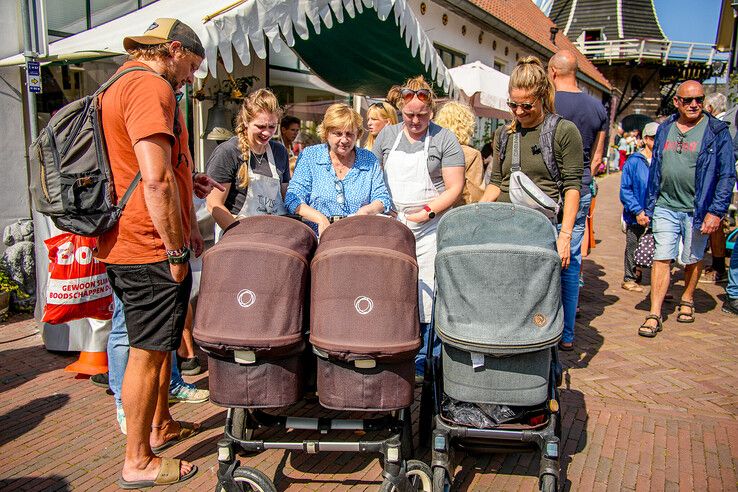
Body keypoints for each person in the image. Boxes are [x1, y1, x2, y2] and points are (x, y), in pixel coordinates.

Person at [96, 18, 222, 488]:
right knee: (147, 351)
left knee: (160, 341)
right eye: (190, 66)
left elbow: (160, 168)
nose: (190, 78)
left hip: (128, 238)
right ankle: (139, 459)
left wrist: (191, 183)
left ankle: (160, 425)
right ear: (172, 49)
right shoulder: (151, 88)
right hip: (146, 244)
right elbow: (153, 177)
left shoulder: (120, 83)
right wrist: (173, 248)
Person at [480, 56, 583, 351]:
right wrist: (476, 214)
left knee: (541, 296)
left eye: (527, 105)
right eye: (513, 105)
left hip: (541, 228)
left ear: (542, 97)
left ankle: (549, 344)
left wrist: (565, 237)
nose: (519, 111)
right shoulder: (504, 134)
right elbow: (496, 183)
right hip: (507, 227)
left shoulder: (563, 131)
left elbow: (573, 186)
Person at [373, 76, 464, 377]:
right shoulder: (386, 137)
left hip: (429, 229)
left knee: (428, 293)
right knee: (391, 290)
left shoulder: (444, 139)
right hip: (391, 225)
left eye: (422, 115)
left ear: (432, 111)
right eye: (409, 115)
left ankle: (426, 359)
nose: (415, 121)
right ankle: (392, 352)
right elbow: (374, 178)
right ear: (400, 110)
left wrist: (427, 211)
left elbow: (454, 188)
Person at [638, 80, 736, 337]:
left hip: (697, 207)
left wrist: (716, 211)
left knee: (692, 258)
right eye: (689, 100)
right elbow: (656, 168)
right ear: (677, 102)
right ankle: (655, 313)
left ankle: (688, 298)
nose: (695, 105)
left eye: (699, 100)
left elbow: (726, 174)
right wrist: (649, 204)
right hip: (665, 205)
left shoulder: (716, 131)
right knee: (662, 255)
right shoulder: (665, 128)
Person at [548, 49, 608, 350]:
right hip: (581, 188)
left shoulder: (548, 102)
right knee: (571, 263)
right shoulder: (597, 107)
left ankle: (543, 326)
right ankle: (568, 335)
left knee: (542, 260)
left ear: (552, 71)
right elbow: (597, 159)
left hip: (547, 191)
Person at [285, 103, 391, 236]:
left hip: (358, 235)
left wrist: (365, 212)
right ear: (326, 133)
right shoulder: (310, 156)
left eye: (350, 134)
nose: (344, 140)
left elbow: (382, 198)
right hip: (317, 236)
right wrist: (320, 219)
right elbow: (293, 198)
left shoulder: (368, 159)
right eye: (338, 134)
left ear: (357, 134)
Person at [205, 89, 290, 240]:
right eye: (260, 126)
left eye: (272, 127)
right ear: (246, 121)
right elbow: (214, 204)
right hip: (238, 237)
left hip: (274, 237)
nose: (267, 133)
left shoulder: (280, 152)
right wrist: (241, 235)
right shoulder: (228, 152)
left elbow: (286, 197)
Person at [620, 122, 658, 292]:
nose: (656, 141)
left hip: (657, 212)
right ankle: (630, 277)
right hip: (635, 211)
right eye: (653, 138)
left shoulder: (662, 160)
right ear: (645, 139)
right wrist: (637, 210)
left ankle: (658, 282)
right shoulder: (634, 161)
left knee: (657, 246)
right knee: (633, 244)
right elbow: (626, 189)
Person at [699, 92, 730, 284]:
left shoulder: (720, 127)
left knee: (717, 225)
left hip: (718, 184)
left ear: (709, 108)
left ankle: (718, 267)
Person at [434, 101, 486, 204]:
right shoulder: (472, 154)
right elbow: (475, 194)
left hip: (431, 209)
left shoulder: (432, 150)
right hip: (458, 212)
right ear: (467, 125)